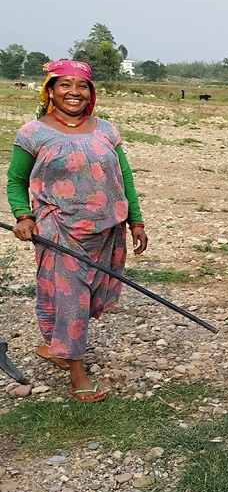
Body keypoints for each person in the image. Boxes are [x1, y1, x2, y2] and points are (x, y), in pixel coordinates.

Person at [6, 59, 148, 403]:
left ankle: (58, 347)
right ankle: (76, 373)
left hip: (107, 228)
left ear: (91, 92)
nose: (74, 92)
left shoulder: (106, 130)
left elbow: (124, 177)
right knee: (72, 300)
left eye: (81, 86)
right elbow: (15, 181)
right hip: (59, 229)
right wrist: (24, 216)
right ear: (50, 91)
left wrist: (136, 220)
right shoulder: (33, 132)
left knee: (92, 296)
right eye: (65, 85)